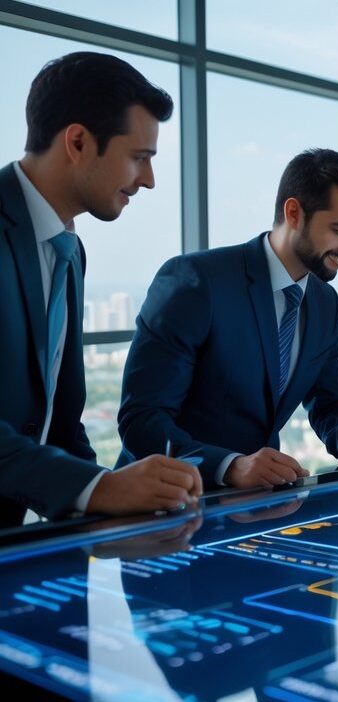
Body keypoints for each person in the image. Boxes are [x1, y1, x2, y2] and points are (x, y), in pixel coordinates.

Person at [118, 148, 338, 489]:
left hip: (259, 508)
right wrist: (229, 466)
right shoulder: (197, 281)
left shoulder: (324, 301)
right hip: (164, 505)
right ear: (294, 213)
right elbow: (142, 420)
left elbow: (329, 401)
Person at [0, 51, 201, 526]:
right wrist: (99, 488)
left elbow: (61, 421)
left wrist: (107, 505)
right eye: (139, 158)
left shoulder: (68, 250)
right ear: (78, 142)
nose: (148, 181)